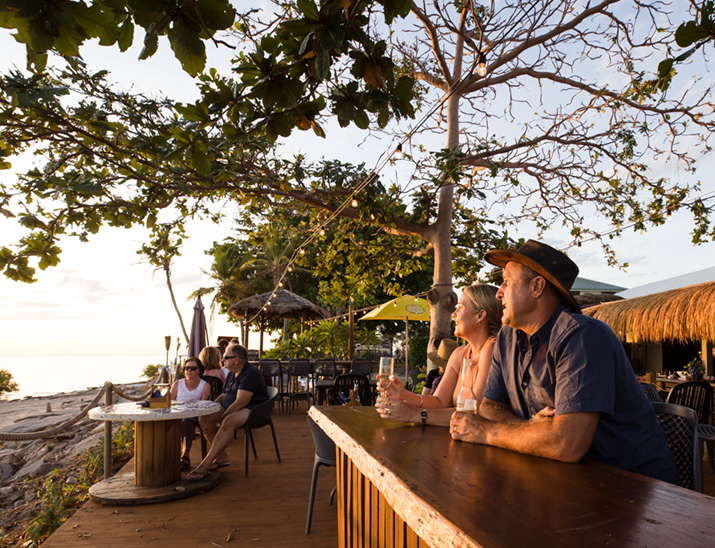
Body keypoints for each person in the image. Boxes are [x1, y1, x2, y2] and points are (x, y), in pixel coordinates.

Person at [450, 240, 680, 484]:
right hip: (562, 481)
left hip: (632, 489)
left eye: (507, 280)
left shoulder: (583, 336)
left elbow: (566, 444)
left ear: (537, 286)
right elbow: (488, 407)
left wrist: (486, 431)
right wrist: (532, 430)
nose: (498, 292)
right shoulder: (507, 338)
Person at [376, 284, 502, 426]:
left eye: (460, 307)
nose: (454, 314)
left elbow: (474, 413)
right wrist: (403, 394)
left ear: (480, 315)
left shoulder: (492, 349)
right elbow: (440, 401)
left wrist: (416, 415)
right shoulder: (459, 353)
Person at [188, 342, 269, 480]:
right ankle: (221, 457)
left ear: (236, 360)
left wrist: (220, 420)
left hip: (253, 409)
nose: (222, 360)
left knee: (228, 421)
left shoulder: (250, 373)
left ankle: (205, 465)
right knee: (205, 418)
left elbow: (240, 403)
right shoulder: (232, 373)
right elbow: (225, 395)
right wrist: (211, 407)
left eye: (225, 357)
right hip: (235, 407)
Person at [170, 357, 210, 470]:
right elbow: (169, 402)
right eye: (187, 368)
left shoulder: (205, 386)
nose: (189, 370)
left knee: (187, 422)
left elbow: (203, 406)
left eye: (193, 368)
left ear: (199, 370)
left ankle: (185, 454)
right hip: (177, 414)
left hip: (193, 415)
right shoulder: (178, 384)